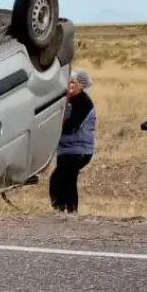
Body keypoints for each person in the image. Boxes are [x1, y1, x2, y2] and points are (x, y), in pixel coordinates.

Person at [49, 69, 97, 214]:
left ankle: (70, 211)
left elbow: (72, 125)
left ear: (81, 85)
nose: (68, 85)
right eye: (67, 81)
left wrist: (53, 126)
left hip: (79, 151)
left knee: (65, 179)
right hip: (65, 150)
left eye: (72, 82)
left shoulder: (84, 103)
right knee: (59, 179)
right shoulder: (67, 100)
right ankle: (62, 210)